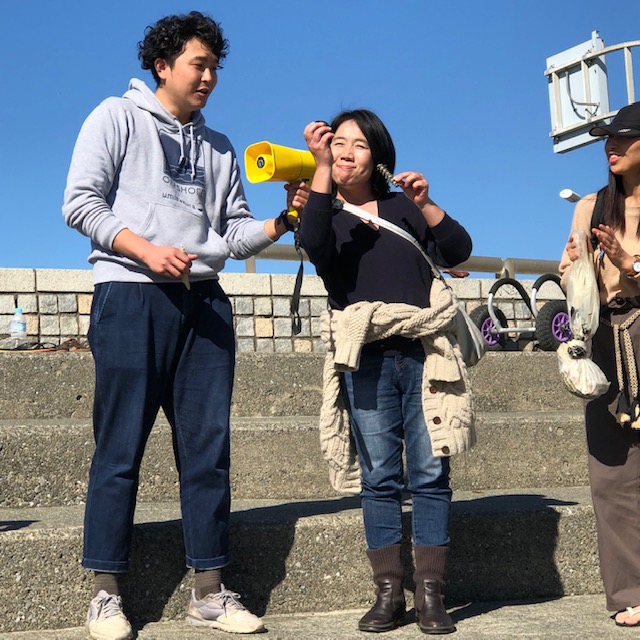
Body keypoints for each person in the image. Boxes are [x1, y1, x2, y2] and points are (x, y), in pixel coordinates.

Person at [62, 11, 306, 640]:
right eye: (199, 64)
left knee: (207, 453)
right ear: (162, 65)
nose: (209, 77)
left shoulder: (219, 146)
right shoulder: (114, 117)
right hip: (130, 294)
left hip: (205, 304)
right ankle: (105, 594)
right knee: (119, 450)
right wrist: (145, 250)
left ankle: (209, 591)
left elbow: (234, 232)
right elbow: (79, 203)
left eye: (215, 68)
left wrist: (282, 223)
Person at [299, 110, 475, 635]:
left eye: (359, 144)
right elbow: (313, 245)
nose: (346, 151)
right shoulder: (323, 210)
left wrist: (425, 202)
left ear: (378, 155)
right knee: (378, 479)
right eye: (338, 142)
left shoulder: (402, 205)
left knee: (430, 474)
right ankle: (388, 593)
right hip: (366, 358)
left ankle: (430, 594)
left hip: (425, 353)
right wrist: (320, 170)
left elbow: (459, 249)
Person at [559, 101, 640, 628]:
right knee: (611, 471)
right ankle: (630, 590)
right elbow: (568, 268)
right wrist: (580, 267)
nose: (611, 146)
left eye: (623, 137)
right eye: (607, 138)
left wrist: (628, 263)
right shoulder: (591, 206)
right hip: (606, 336)